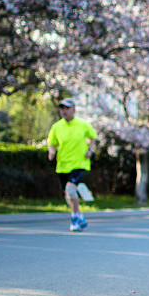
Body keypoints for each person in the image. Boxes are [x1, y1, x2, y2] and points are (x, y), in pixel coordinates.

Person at [48, 98, 97, 232]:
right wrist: (51, 151)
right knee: (67, 194)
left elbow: (93, 136)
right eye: (62, 108)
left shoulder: (83, 124)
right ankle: (80, 215)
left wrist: (90, 150)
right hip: (63, 164)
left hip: (79, 163)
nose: (64, 111)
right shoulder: (56, 127)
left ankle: (75, 218)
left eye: (67, 108)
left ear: (74, 109)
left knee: (70, 190)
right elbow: (51, 142)